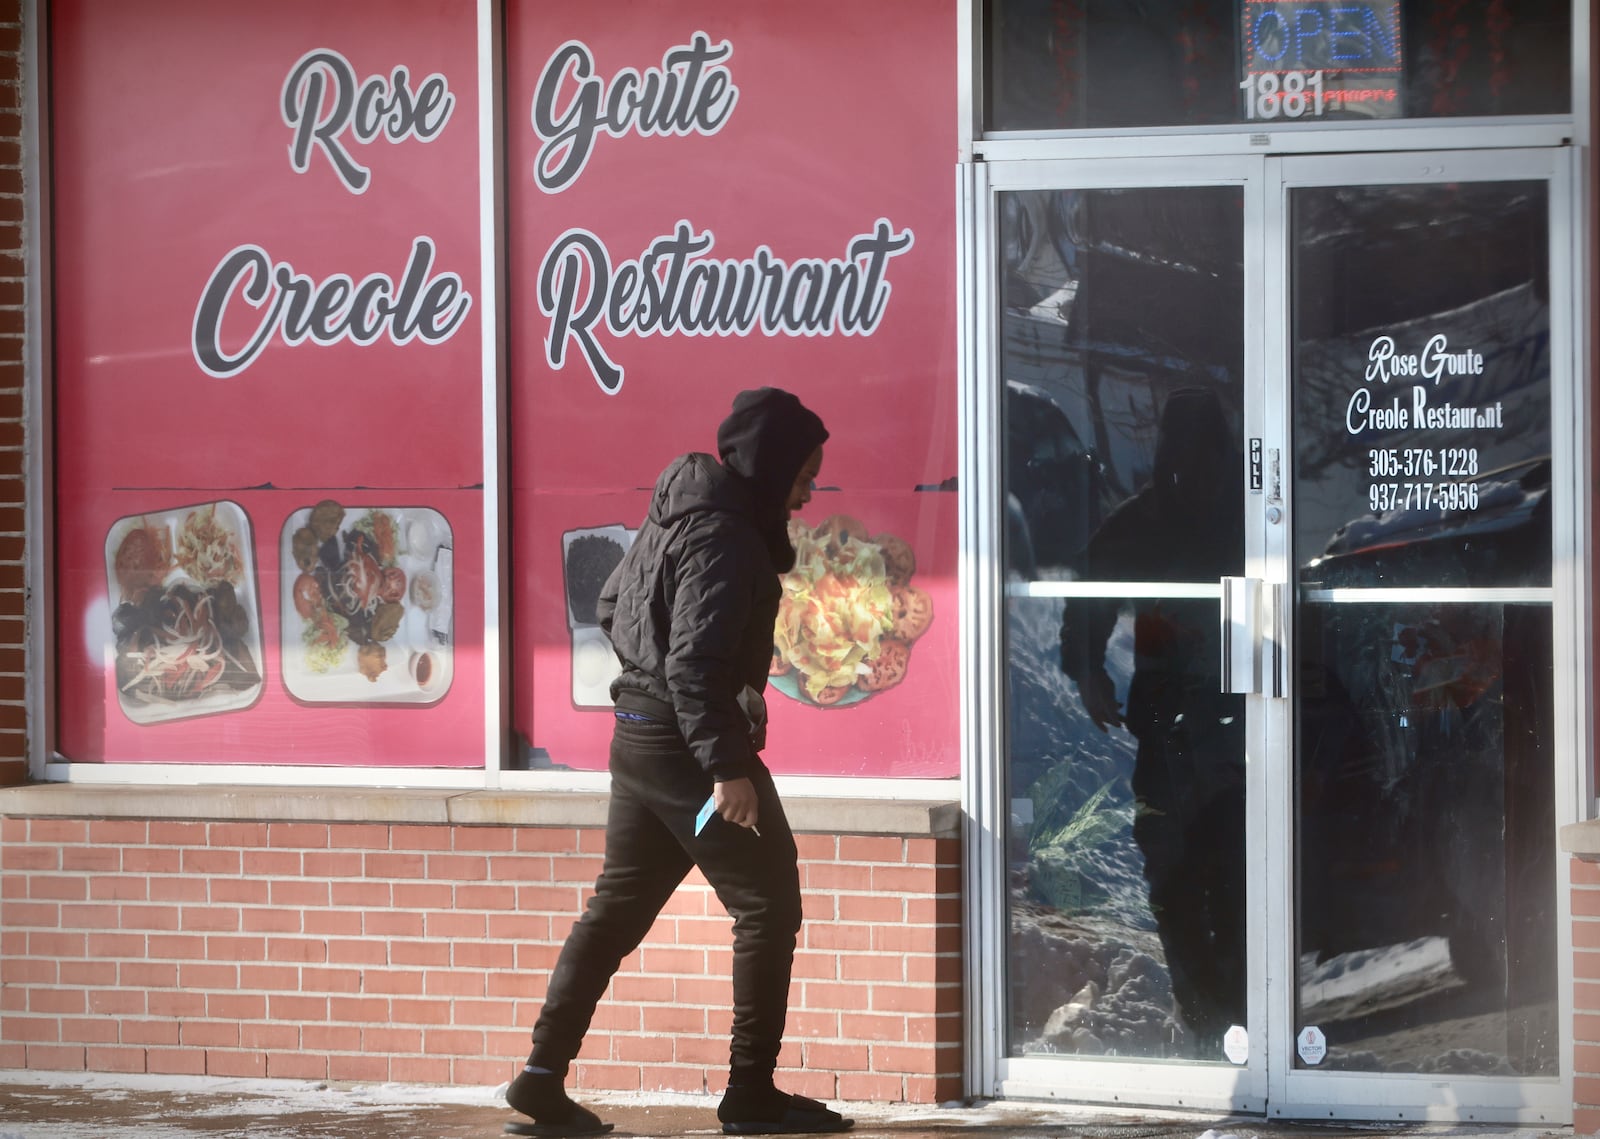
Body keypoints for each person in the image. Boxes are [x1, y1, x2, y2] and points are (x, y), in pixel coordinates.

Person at [505, 387, 851, 1138]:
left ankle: (540, 1076)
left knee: (616, 909)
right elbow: (694, 664)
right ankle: (750, 1094)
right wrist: (726, 768)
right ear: (770, 466)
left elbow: (609, 605)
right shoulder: (724, 536)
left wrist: (653, 674)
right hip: (687, 746)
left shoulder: (678, 512)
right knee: (768, 903)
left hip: (638, 734)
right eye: (802, 475)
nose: (807, 492)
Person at [1057, 387, 1246, 1055]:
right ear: (1168, 455)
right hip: (1170, 726)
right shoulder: (1150, 519)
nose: (1191, 469)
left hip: (1243, 721)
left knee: (1233, 872)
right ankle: (1207, 1014)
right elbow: (1092, 583)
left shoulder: (1246, 517)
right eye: (1181, 455)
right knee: (1175, 872)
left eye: (1203, 454)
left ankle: (1240, 1014)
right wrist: (1085, 667)